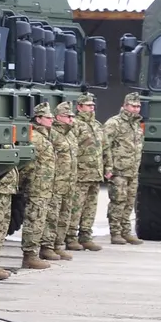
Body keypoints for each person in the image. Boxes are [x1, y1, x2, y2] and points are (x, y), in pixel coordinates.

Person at [66, 93, 108, 250]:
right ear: (79, 107)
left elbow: (104, 148)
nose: (92, 108)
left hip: (95, 174)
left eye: (93, 105)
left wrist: (107, 167)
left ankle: (85, 236)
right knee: (76, 207)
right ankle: (70, 237)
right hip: (80, 174)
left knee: (90, 207)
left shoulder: (97, 125)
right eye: (88, 105)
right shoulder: (75, 125)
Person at [104, 92, 145, 244]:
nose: (136, 109)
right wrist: (108, 167)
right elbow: (105, 146)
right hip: (118, 171)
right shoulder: (114, 123)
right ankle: (115, 232)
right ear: (125, 106)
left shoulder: (136, 125)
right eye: (133, 106)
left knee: (129, 202)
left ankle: (126, 231)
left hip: (132, 171)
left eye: (138, 106)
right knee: (118, 201)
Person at [19, 102, 57, 269]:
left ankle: (35, 252)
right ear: (39, 118)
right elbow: (27, 164)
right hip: (36, 187)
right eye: (48, 117)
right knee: (34, 220)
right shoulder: (35, 137)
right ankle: (30, 255)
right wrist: (28, 182)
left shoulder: (44, 136)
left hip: (44, 187)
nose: (52, 120)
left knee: (40, 219)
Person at [41, 102, 78, 262]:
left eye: (72, 116)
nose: (71, 119)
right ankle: (47, 247)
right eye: (67, 116)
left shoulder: (70, 134)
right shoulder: (52, 134)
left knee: (64, 215)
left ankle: (58, 245)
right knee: (52, 216)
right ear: (57, 117)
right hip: (56, 182)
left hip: (69, 182)